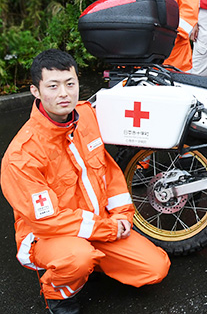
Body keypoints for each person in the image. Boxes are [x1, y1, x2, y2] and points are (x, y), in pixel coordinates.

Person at [0, 49, 170, 313]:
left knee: (155, 268)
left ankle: (90, 263)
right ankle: (58, 293)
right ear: (35, 91)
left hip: (98, 226)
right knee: (77, 258)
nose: (64, 93)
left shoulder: (87, 116)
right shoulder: (22, 155)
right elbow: (47, 221)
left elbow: (110, 172)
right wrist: (108, 229)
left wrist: (122, 215)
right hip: (47, 237)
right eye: (53, 86)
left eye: (70, 83)